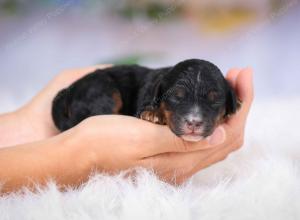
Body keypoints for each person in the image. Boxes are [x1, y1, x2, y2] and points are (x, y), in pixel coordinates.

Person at [0, 65, 254, 194]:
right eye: (178, 97)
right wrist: (79, 153)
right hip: (100, 87)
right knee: (103, 98)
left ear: (229, 104)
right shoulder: (153, 96)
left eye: (212, 101)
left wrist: (26, 125)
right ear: (159, 96)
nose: (195, 118)